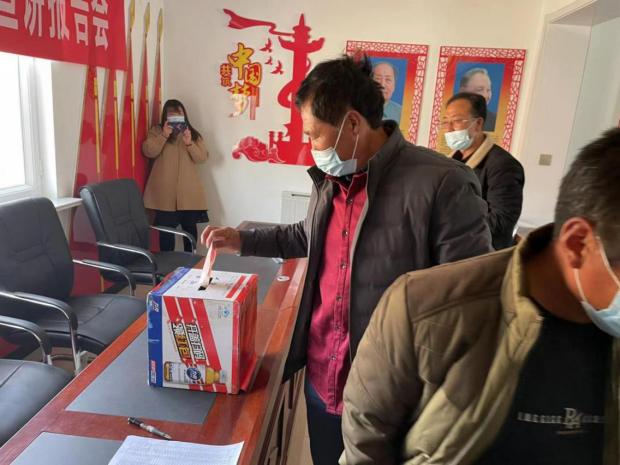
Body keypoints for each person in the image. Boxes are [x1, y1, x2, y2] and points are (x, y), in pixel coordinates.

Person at [201, 55, 492, 465]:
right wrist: (241, 239)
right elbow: (307, 235)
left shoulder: (442, 184)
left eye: (314, 134)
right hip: (323, 378)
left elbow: (471, 304)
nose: (311, 146)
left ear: (353, 124)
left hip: (393, 398)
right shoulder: (331, 178)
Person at [341, 127, 620, 465]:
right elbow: (366, 438)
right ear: (578, 244)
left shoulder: (499, 168)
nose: (452, 129)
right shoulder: (426, 309)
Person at [443, 92, 524, 249]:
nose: (449, 129)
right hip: (454, 246)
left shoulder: (503, 166)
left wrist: (449, 229)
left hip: (484, 252)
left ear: (478, 123)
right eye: (446, 122)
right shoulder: (451, 161)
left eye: (457, 121)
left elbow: (501, 222)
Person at [142, 99, 209, 252]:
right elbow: (148, 151)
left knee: (189, 232)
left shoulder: (192, 134)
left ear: (184, 115)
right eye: (171, 114)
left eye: (178, 113)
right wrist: (164, 135)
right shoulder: (157, 131)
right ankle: (168, 264)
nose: (175, 117)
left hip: (189, 194)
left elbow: (202, 158)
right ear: (165, 116)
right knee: (166, 234)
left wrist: (189, 142)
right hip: (164, 195)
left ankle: (192, 262)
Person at [459, 67, 497, 131]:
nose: (485, 95)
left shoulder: (495, 120)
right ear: (463, 91)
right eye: (480, 90)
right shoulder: (449, 115)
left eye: (488, 90)